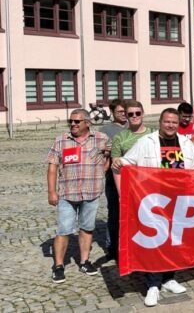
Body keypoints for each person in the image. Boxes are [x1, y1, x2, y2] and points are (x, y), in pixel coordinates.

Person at [116, 108, 194, 307]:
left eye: (174, 122)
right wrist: (118, 163)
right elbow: (128, 161)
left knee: (173, 241)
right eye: (167, 122)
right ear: (160, 122)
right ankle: (153, 285)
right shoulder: (146, 142)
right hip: (154, 200)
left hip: (179, 200)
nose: (170, 125)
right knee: (155, 243)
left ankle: (169, 278)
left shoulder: (186, 144)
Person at [46, 109, 109, 283]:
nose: (73, 124)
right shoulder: (61, 140)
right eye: (71, 121)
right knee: (64, 230)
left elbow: (108, 156)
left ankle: (84, 261)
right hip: (67, 193)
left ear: (87, 123)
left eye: (77, 121)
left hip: (92, 191)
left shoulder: (101, 139)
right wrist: (52, 191)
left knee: (87, 228)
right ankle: (58, 266)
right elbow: (52, 167)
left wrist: (102, 169)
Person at [109, 100, 153, 262]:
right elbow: (116, 166)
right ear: (126, 116)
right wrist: (122, 193)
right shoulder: (120, 137)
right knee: (133, 224)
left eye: (137, 113)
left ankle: (153, 256)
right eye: (130, 114)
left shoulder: (154, 133)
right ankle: (133, 257)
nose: (134, 117)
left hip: (152, 187)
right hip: (132, 189)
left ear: (143, 114)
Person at [99, 98, 127, 261]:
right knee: (115, 211)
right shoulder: (106, 129)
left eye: (125, 112)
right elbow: (101, 151)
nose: (123, 115)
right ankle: (112, 246)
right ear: (112, 113)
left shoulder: (133, 126)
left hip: (133, 176)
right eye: (119, 112)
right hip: (113, 176)